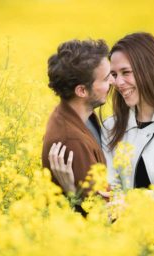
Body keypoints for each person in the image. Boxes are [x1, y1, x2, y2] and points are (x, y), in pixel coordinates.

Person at [50, 32, 154, 200]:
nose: (118, 83)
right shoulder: (110, 127)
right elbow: (110, 193)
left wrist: (136, 203)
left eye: (126, 72)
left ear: (151, 70)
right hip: (130, 225)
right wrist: (72, 192)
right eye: (113, 74)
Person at [41, 39, 114, 202]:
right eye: (105, 79)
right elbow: (101, 211)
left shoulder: (75, 115)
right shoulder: (73, 143)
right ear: (82, 91)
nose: (113, 82)